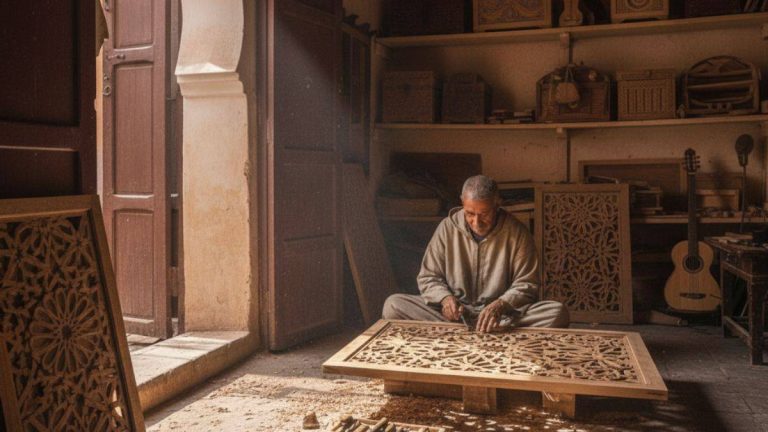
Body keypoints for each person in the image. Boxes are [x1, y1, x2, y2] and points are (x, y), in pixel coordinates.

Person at [382, 175, 569, 332]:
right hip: (457, 314)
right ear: (462, 202)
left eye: (484, 214)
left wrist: (499, 305)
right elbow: (428, 276)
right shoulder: (447, 228)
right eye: (470, 213)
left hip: (501, 314)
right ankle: (475, 329)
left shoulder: (517, 232)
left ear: (497, 205)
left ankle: (489, 327)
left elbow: (527, 283)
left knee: (557, 313)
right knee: (393, 305)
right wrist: (445, 299)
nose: (476, 222)